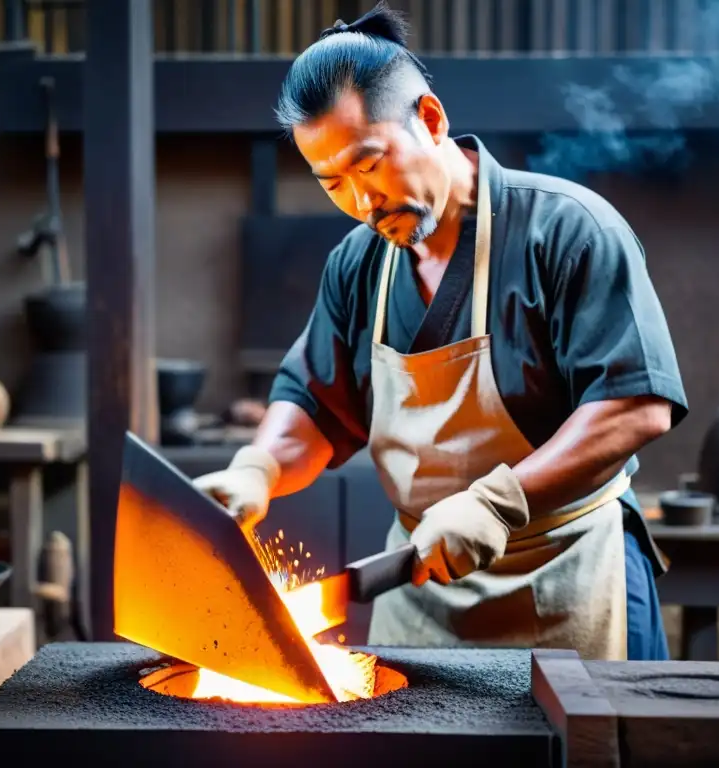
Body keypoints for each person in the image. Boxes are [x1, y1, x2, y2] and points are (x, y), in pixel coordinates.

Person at [194, 2, 686, 661]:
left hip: (570, 575)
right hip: (419, 586)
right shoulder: (357, 265)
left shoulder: (567, 232)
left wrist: (499, 502)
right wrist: (256, 471)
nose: (361, 202)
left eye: (369, 164)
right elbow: (315, 407)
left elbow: (635, 406)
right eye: (332, 182)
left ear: (429, 120)